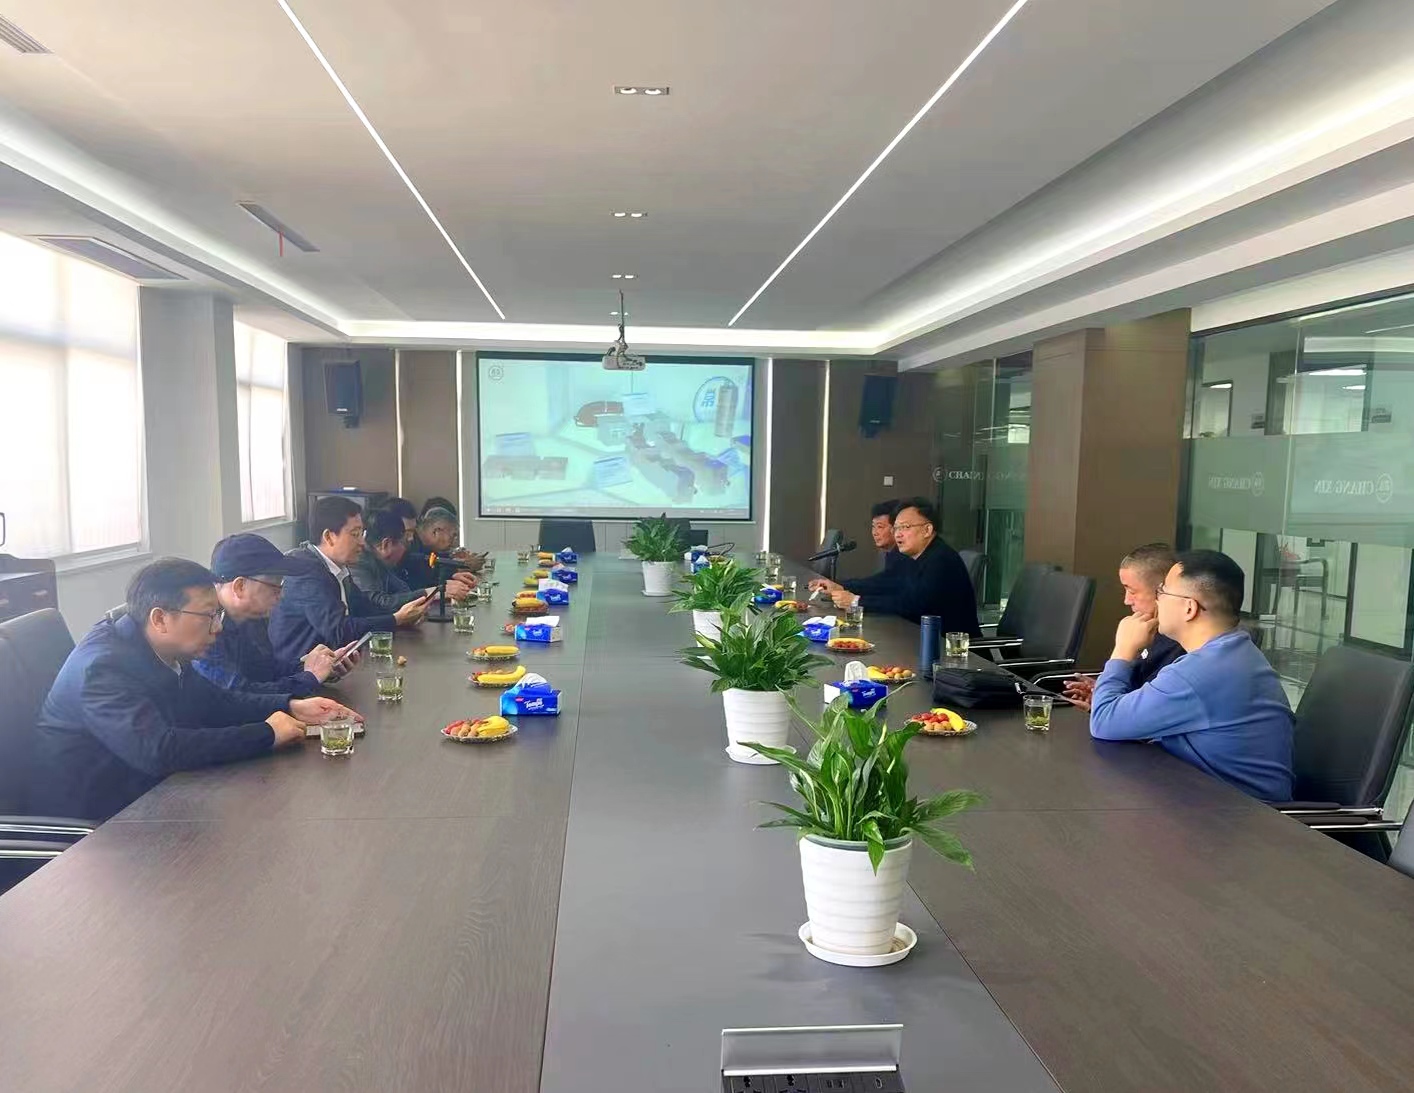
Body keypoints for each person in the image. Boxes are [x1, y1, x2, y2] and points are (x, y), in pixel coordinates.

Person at [31, 558, 360, 823]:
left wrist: (289, 705)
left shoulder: (160, 645)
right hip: (101, 824)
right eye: (208, 616)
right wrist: (266, 733)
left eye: (218, 614)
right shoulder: (102, 668)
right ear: (160, 618)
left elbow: (214, 701)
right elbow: (159, 751)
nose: (217, 627)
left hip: (154, 796)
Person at [1090, 549, 1294, 801]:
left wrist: (1123, 650)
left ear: (1189, 608)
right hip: (1211, 798)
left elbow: (1104, 721)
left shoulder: (1201, 672)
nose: (1157, 600)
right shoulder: (1235, 651)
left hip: (1238, 815)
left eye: (1162, 591)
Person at [269, 496, 428, 667]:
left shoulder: (338, 567)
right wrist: (396, 619)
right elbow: (339, 631)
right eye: (355, 534)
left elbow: (366, 607)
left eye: (362, 534)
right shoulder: (305, 571)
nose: (362, 542)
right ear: (329, 537)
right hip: (299, 673)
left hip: (334, 665)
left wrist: (406, 614)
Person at [194, 533, 352, 697]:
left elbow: (267, 670)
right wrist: (309, 678)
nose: (280, 595)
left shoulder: (252, 617)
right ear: (240, 586)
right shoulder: (203, 629)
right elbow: (241, 694)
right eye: (274, 585)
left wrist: (315, 666)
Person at [808, 498, 980, 633]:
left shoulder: (941, 560)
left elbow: (914, 605)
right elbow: (886, 582)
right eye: (896, 528)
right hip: (918, 638)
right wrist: (842, 586)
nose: (898, 534)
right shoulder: (916, 556)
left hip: (954, 651)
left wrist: (856, 601)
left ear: (927, 530)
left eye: (905, 527)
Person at [1062, 543, 1185, 711]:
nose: (1127, 601)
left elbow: (1148, 712)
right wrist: (1104, 693)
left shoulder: (1182, 650)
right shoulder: (1149, 633)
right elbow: (1138, 693)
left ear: (1162, 590)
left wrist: (1122, 650)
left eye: (1132, 592)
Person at [353, 508, 470, 611]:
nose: (408, 547)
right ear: (386, 544)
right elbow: (381, 603)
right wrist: (435, 592)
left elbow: (404, 591)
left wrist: (441, 587)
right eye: (404, 542)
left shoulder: (381, 561)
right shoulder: (358, 562)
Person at [400, 506, 484, 588]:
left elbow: (436, 560)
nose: (454, 543)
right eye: (453, 536)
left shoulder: (427, 547)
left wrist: (454, 559)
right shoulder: (409, 544)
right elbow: (426, 578)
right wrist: (462, 567)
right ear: (436, 531)